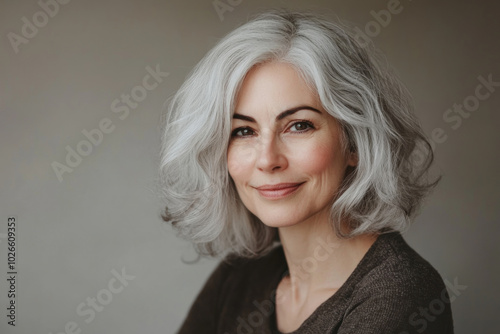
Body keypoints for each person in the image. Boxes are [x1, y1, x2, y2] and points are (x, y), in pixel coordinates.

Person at [159, 10, 454, 334]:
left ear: (355, 142)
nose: (268, 159)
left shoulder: (400, 293)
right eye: (243, 131)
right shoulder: (238, 279)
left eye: (299, 126)